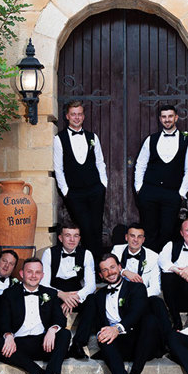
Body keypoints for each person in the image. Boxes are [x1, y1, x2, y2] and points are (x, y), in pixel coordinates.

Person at [0, 257, 71, 374]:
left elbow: (60, 319)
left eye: (37, 272)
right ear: (22, 274)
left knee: (64, 334)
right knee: (0, 345)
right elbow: (2, 321)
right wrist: (8, 335)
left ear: (42, 275)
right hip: (19, 344)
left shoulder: (50, 293)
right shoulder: (10, 294)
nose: (34, 276)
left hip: (44, 343)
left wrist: (52, 330)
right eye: (29, 272)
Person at [93, 254, 162, 374]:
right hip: (117, 345)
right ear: (101, 275)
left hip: (140, 344)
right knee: (103, 334)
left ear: (120, 268)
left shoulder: (136, 288)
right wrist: (103, 332)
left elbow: (136, 313)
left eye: (112, 267)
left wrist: (116, 329)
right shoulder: (98, 296)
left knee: (150, 320)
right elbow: (98, 322)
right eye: (105, 270)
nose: (110, 272)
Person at [134, 104, 188, 252]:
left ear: (176, 117)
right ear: (160, 119)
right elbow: (140, 164)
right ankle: (150, 269)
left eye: (170, 116)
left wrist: (181, 193)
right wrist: (139, 189)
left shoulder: (187, 140)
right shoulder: (151, 139)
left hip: (172, 193)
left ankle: (165, 268)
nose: (167, 120)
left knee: (168, 232)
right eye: (164, 117)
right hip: (149, 191)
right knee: (149, 232)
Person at [53, 100, 107, 261]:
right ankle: (90, 264)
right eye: (73, 114)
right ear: (67, 116)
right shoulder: (59, 138)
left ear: (83, 116)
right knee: (84, 227)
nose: (77, 117)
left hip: (95, 189)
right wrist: (66, 191)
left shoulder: (92, 137)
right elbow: (58, 168)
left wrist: (103, 185)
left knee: (97, 227)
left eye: (79, 114)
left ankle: (99, 266)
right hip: (74, 193)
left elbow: (100, 162)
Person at [40, 223, 96, 360]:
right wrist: (62, 295)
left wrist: (74, 298)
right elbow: (43, 283)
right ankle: (52, 343)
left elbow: (91, 286)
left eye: (76, 236)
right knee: (45, 301)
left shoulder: (86, 254)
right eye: (68, 236)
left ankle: (78, 343)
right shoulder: (49, 253)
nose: (72, 240)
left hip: (76, 294)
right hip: (56, 293)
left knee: (93, 300)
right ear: (60, 238)